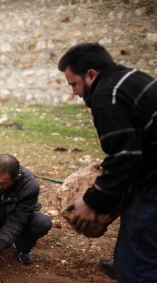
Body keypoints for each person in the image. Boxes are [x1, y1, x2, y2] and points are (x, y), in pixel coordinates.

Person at [58, 42, 157, 282]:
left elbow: (125, 158)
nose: (74, 92)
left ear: (91, 74)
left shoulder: (106, 95)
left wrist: (93, 201)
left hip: (154, 188)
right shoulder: (132, 78)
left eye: (74, 83)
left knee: (137, 262)